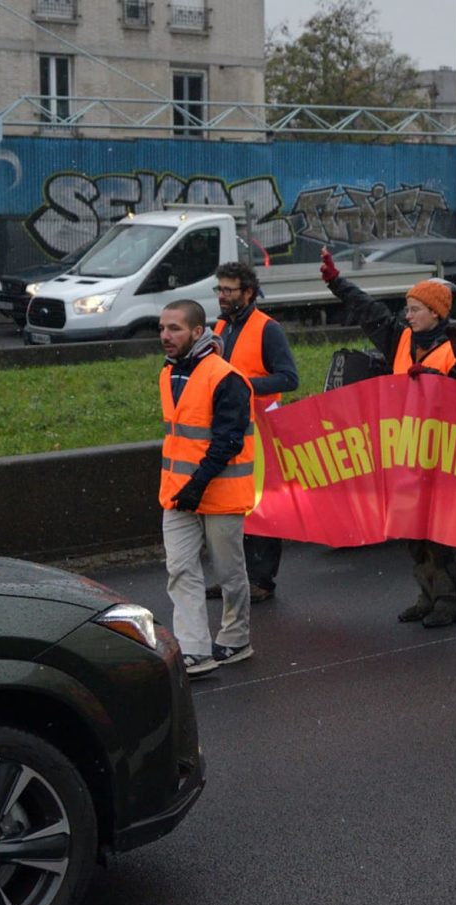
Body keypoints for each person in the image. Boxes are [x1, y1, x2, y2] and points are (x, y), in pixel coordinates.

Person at [321, 247, 456, 628]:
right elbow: (367, 309)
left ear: (436, 313)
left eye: (415, 309)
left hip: (442, 458)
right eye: (407, 309)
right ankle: (426, 595)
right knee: (414, 531)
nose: (407, 316)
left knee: (439, 533)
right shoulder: (402, 339)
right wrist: (336, 282)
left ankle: (448, 600)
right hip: (406, 452)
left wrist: (441, 384)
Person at [156, 299, 256, 678]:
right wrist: (186, 488)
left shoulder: (226, 378)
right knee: (181, 570)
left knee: (229, 574)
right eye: (162, 328)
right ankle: (196, 649)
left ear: (198, 332)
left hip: (220, 494)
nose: (166, 336)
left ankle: (236, 637)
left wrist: (197, 484)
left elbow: (227, 441)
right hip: (178, 493)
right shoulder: (168, 373)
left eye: (175, 329)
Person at [210, 261, 297, 604]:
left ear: (248, 292)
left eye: (228, 290)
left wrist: (242, 386)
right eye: (219, 289)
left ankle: (261, 580)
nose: (222, 296)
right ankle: (234, 578)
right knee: (232, 505)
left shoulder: (267, 329)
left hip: (260, 430)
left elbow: (289, 378)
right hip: (229, 427)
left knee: (262, 507)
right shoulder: (220, 326)